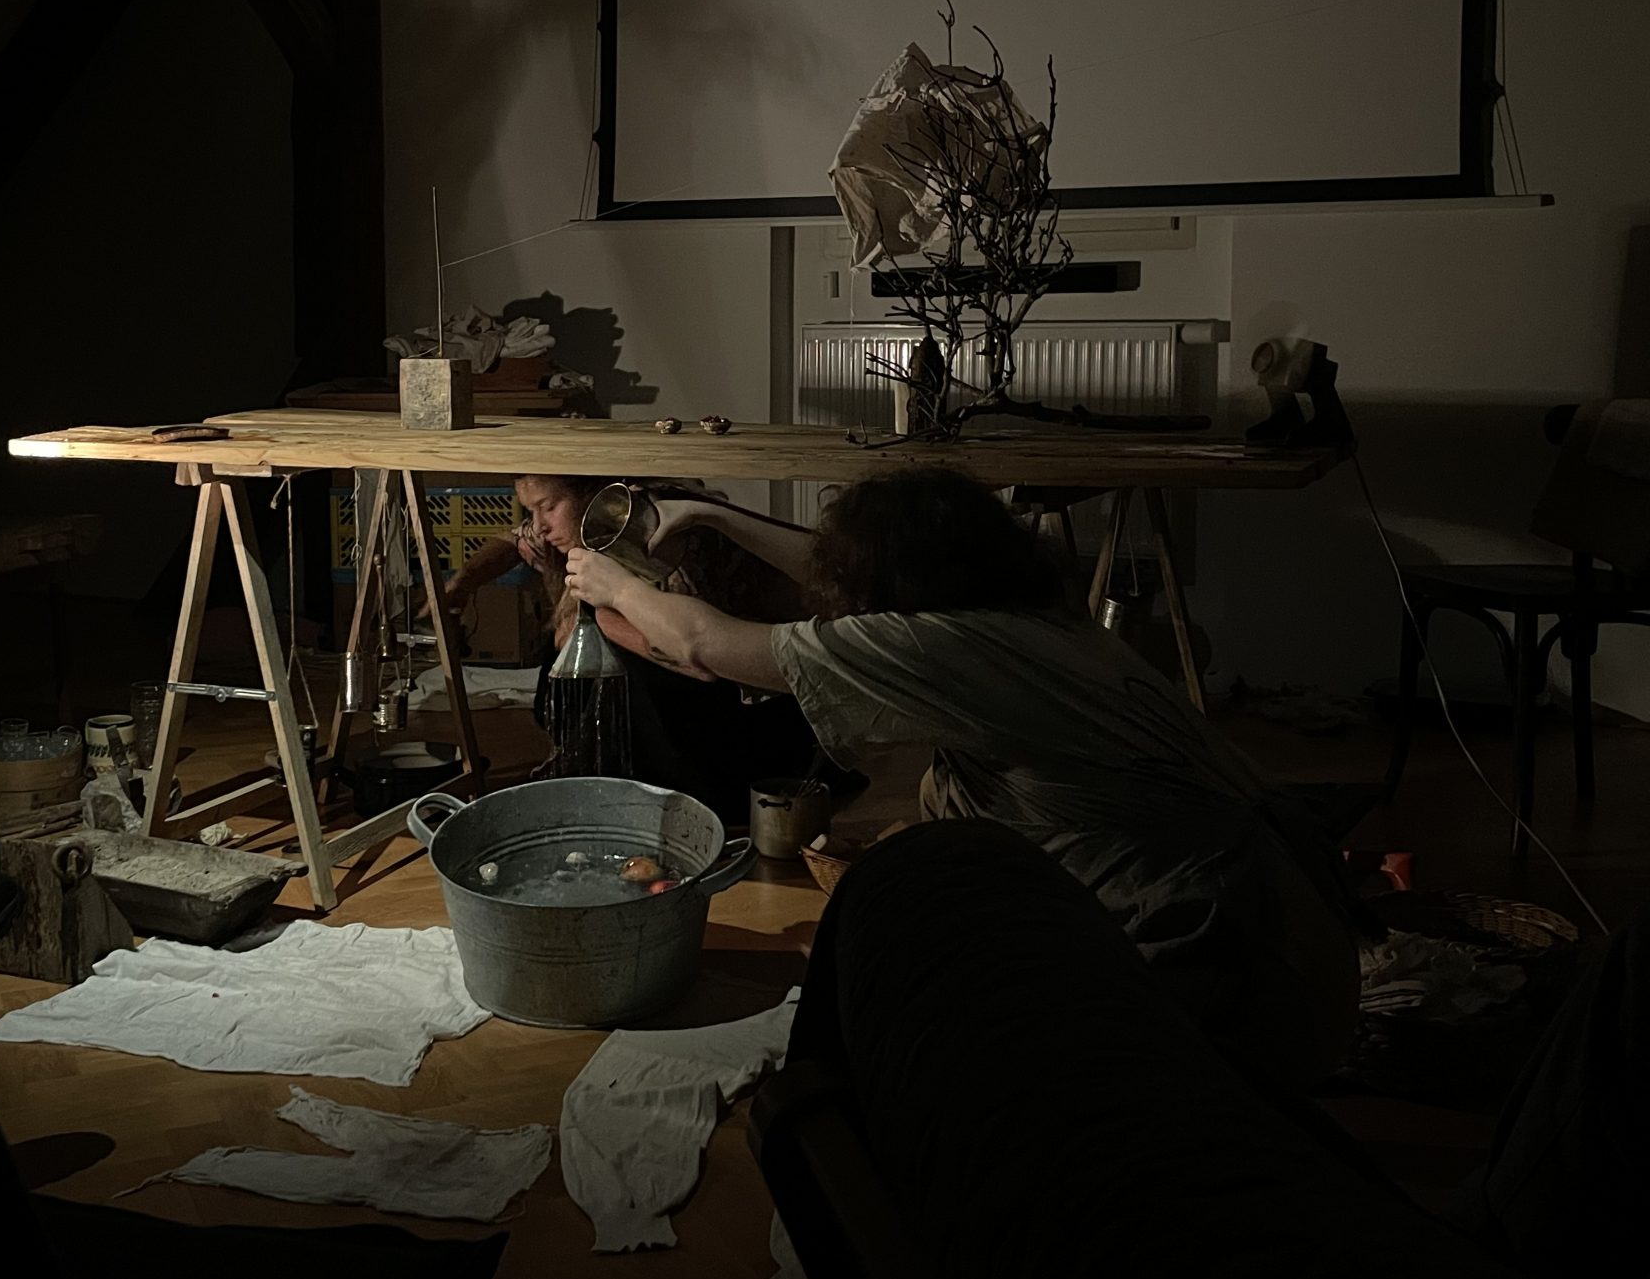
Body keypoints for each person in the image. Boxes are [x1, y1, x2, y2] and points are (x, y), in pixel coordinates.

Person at [564, 466, 1362, 1088]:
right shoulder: (1028, 608)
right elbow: (835, 566)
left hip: (1228, 973)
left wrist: (614, 584)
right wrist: (712, 518)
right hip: (1288, 929)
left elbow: (704, 643)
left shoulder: (945, 647)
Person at [443, 472, 818, 821]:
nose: (539, 525)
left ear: (591, 493)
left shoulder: (656, 533)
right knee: (563, 669)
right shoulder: (572, 523)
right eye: (531, 510)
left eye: (549, 506)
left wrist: (600, 618)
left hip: (753, 707)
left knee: (605, 661)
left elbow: (698, 662)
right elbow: (515, 541)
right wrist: (463, 582)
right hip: (694, 676)